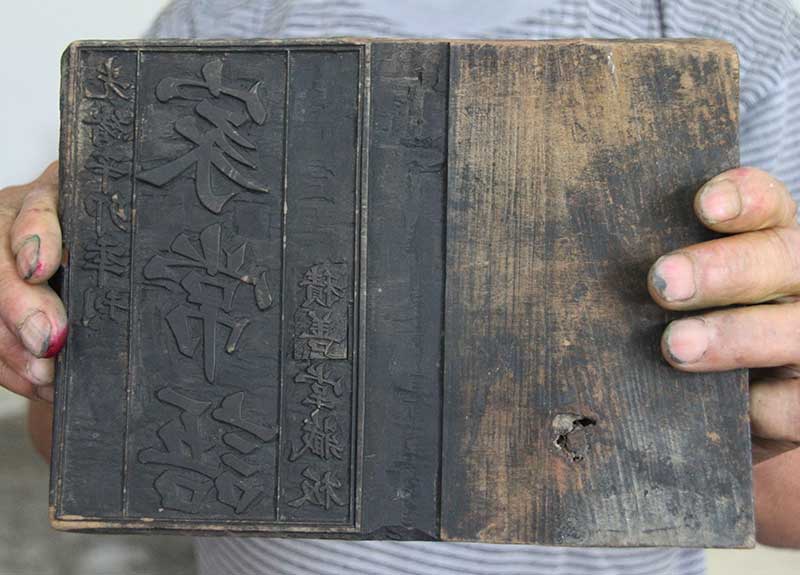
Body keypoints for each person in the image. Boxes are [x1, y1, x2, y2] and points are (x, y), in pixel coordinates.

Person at [3, 0, 799, 573]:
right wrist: (40, 318)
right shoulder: (221, 20)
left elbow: (779, 503)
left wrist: (773, 392)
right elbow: (72, 441)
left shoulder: (743, 33)